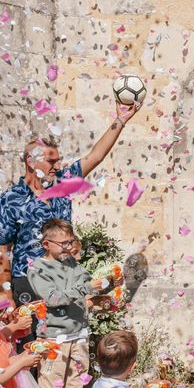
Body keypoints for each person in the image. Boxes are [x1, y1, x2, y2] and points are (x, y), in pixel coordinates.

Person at [0, 101, 140, 311]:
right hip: (27, 284)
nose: (58, 166)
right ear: (31, 162)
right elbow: (3, 249)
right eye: (51, 161)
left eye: (59, 161)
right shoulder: (11, 199)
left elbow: (96, 156)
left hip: (65, 280)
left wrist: (120, 119)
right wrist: (6, 295)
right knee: (34, 344)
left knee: (67, 339)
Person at [27, 219, 117, 388]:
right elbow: (54, 299)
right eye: (64, 244)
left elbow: (84, 290)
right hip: (53, 342)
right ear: (46, 243)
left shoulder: (71, 263)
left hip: (79, 339)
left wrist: (103, 296)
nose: (69, 248)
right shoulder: (38, 268)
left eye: (71, 242)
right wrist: (89, 288)